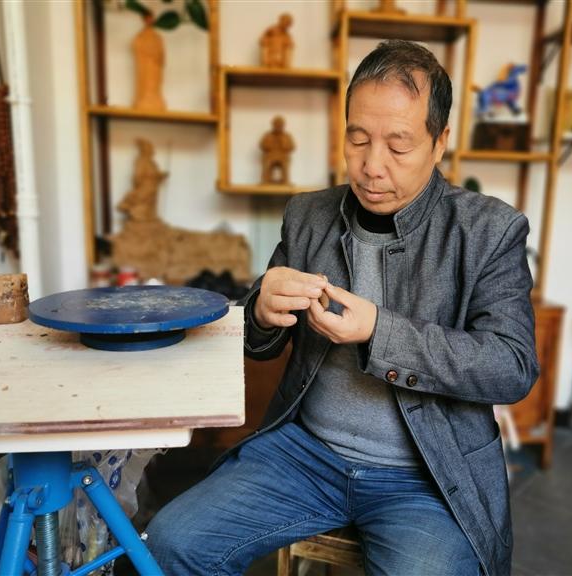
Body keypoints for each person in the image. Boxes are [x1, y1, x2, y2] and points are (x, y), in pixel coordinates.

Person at [146, 39, 539, 576]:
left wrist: (378, 330)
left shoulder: (489, 231)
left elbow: (512, 366)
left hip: (425, 476)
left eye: (398, 146)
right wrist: (259, 310)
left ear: (440, 142)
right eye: (358, 139)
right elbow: (256, 342)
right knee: (171, 543)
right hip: (305, 455)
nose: (372, 166)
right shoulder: (309, 215)